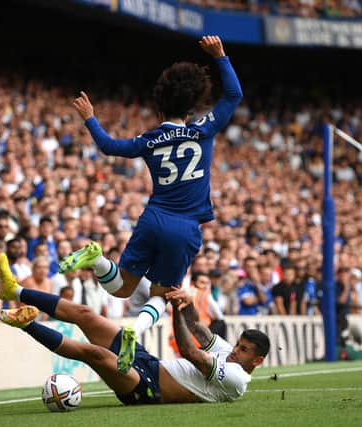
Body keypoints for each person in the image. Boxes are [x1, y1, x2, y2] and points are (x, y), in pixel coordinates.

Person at [57, 35, 243, 372]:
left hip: (153, 218)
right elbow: (234, 94)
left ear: (160, 107)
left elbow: (110, 147)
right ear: (191, 105)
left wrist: (90, 118)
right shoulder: (204, 129)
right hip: (184, 226)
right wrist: (220, 56)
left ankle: (98, 260)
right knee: (164, 294)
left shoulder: (149, 140)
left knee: (123, 287)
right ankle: (134, 329)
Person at [0, 252, 269, 404]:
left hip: (148, 390)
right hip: (148, 362)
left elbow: (190, 351)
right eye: (237, 345)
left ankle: (27, 324)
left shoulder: (236, 381)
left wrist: (174, 309)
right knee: (85, 314)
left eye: (243, 350)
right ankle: (15, 289)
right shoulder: (227, 353)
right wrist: (187, 303)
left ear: (256, 361)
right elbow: (198, 327)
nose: (234, 351)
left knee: (95, 354)